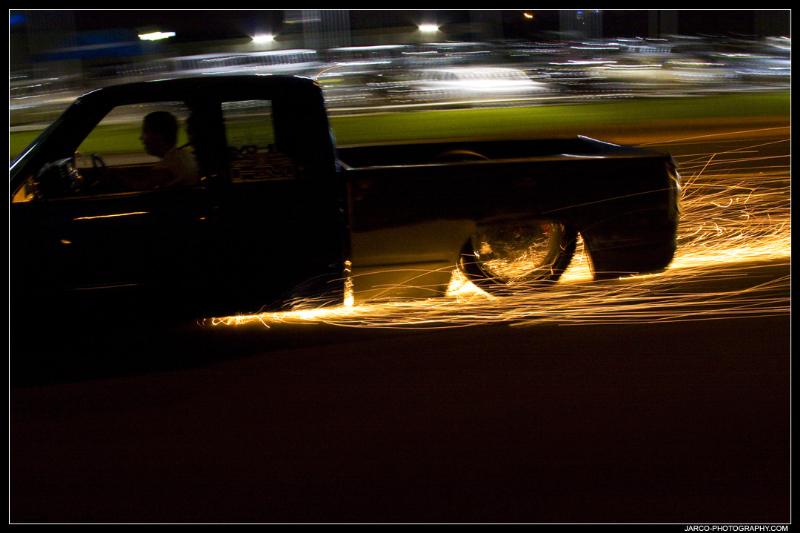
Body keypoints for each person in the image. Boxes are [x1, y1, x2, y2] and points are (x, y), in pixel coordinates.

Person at [140, 111, 201, 189]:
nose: (141, 138)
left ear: (159, 135)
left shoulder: (165, 167)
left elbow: (142, 189)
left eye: (145, 132)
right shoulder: (186, 156)